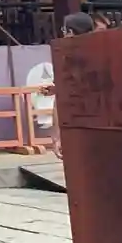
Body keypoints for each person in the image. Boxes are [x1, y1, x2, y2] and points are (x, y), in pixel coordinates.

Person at [39, 12, 94, 159]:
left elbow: (62, 99)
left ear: (69, 32)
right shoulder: (103, 52)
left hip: (77, 126)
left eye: (63, 30)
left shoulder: (67, 58)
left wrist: (57, 136)